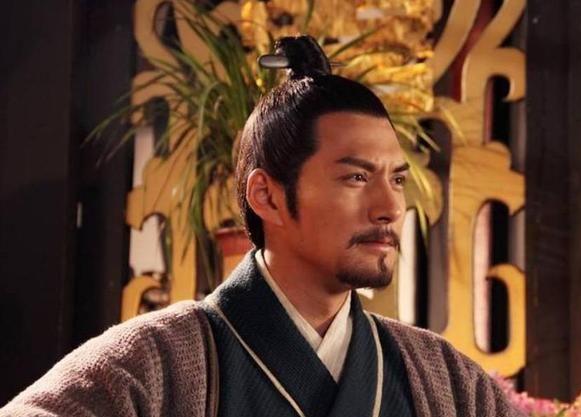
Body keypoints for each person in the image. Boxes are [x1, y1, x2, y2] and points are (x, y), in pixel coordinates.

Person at [1, 36, 523, 417]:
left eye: (398, 179)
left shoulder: (447, 382)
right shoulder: (156, 365)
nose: (389, 207)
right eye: (356, 177)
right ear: (266, 195)